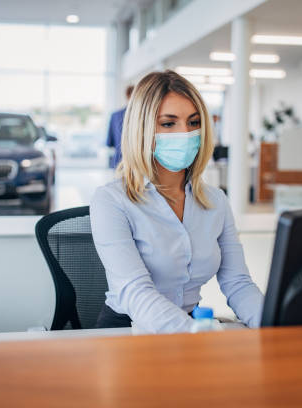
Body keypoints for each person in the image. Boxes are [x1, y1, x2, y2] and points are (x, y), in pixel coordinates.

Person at [90, 70, 264, 334]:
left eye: (194, 122)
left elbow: (238, 283)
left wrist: (277, 327)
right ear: (143, 129)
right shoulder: (111, 200)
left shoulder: (215, 201)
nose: (185, 133)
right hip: (127, 332)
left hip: (193, 324)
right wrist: (194, 335)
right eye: (168, 123)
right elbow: (136, 292)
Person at [106, 85, 134, 168]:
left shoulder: (115, 115)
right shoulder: (143, 116)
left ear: (126, 95)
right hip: (137, 162)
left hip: (118, 162)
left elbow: (109, 142)